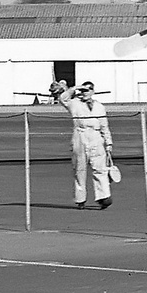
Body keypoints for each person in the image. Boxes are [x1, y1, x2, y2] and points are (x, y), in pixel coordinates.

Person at [50, 80, 114, 209]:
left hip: (96, 137)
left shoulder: (99, 106)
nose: (85, 92)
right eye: (83, 90)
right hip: (80, 135)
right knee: (80, 169)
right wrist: (75, 88)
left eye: (88, 90)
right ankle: (80, 199)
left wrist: (108, 142)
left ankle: (103, 197)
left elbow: (104, 125)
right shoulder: (75, 103)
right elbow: (63, 98)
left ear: (93, 91)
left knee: (100, 169)